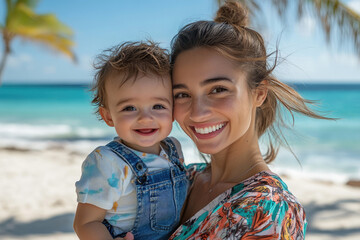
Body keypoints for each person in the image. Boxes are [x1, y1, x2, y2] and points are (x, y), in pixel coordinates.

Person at [168, 1, 328, 239]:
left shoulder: (270, 212)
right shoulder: (179, 179)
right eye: (182, 94)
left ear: (259, 93)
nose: (197, 112)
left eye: (218, 89)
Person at [73, 41, 189, 240]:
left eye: (158, 106)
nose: (145, 117)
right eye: (129, 108)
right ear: (108, 116)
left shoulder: (173, 149)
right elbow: (85, 223)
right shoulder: (107, 162)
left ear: (173, 111)